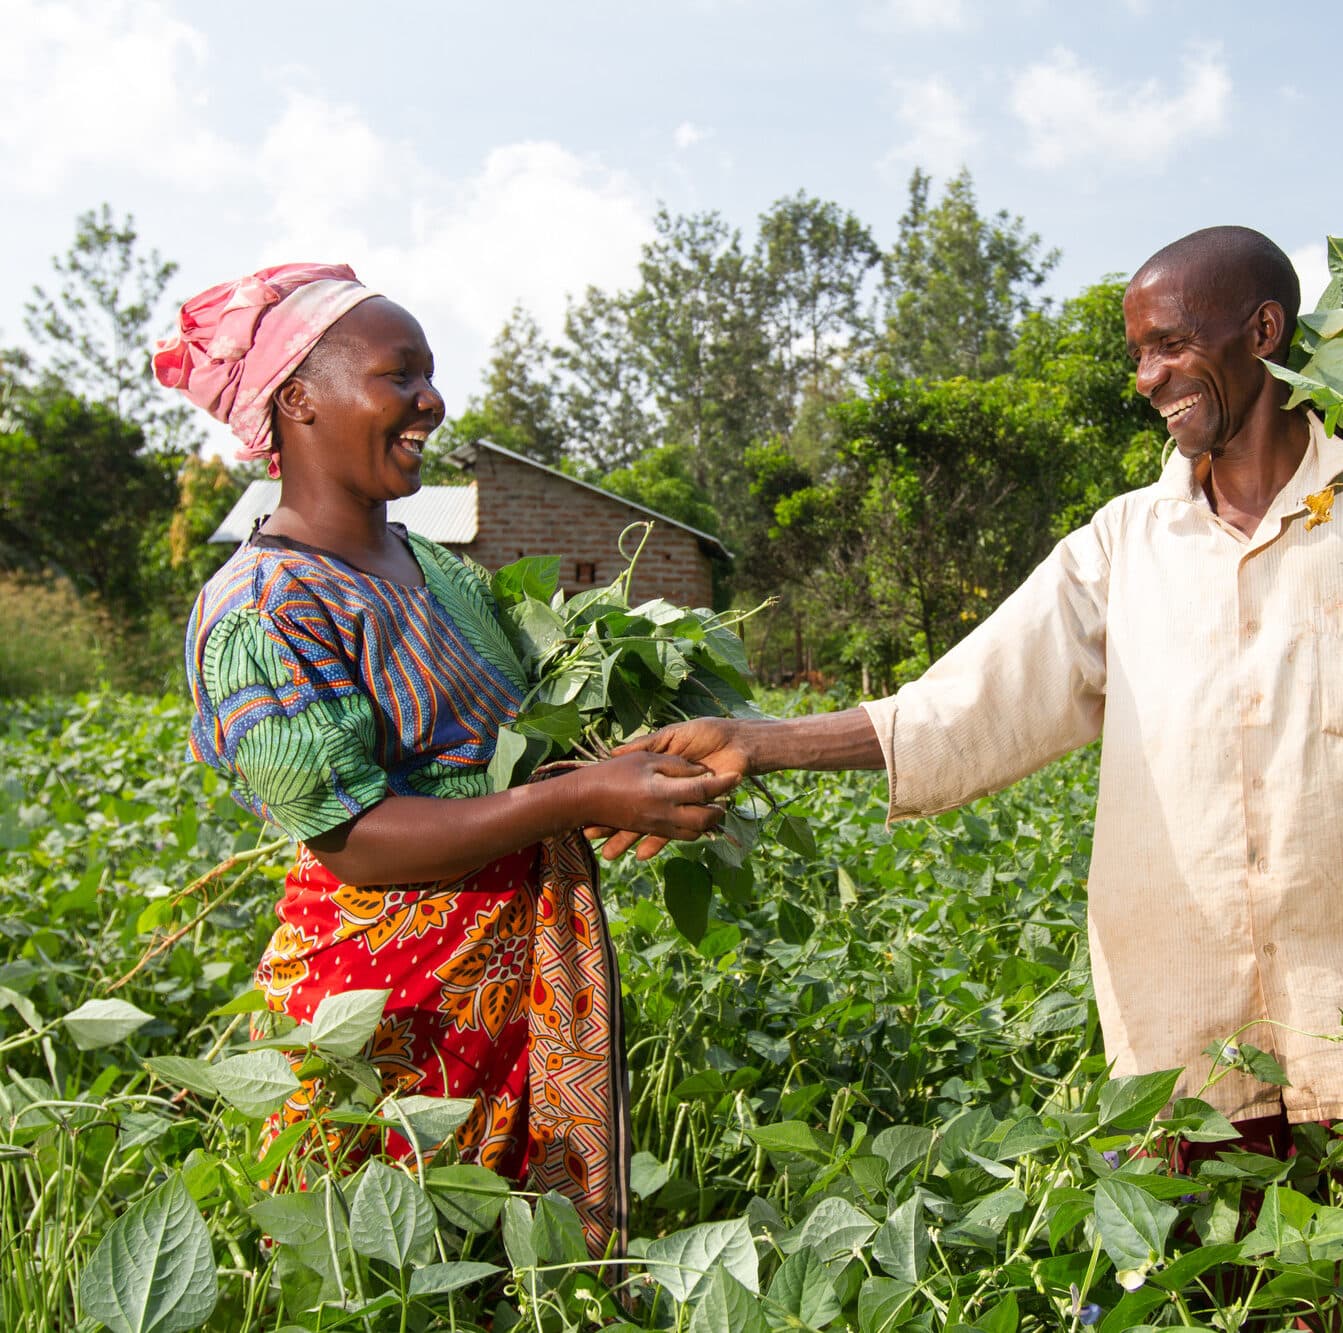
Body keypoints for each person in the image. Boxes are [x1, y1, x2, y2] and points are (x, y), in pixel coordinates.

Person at [614, 226, 1343, 1152]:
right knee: (1213, 1285)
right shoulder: (1123, 547)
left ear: (1265, 329)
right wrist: (759, 741)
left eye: (1169, 345)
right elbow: (965, 706)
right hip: (1192, 1038)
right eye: (1135, 355)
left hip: (1336, 1014)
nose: (1145, 378)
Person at [154, 263, 737, 1259]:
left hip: (516, 974)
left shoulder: (440, 571)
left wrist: (622, 779)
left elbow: (510, 758)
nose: (430, 400)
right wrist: (584, 795)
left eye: (429, 374)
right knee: (387, 1265)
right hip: (384, 1009)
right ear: (297, 400)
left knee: (520, 1271)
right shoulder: (264, 606)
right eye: (400, 374)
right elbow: (358, 840)